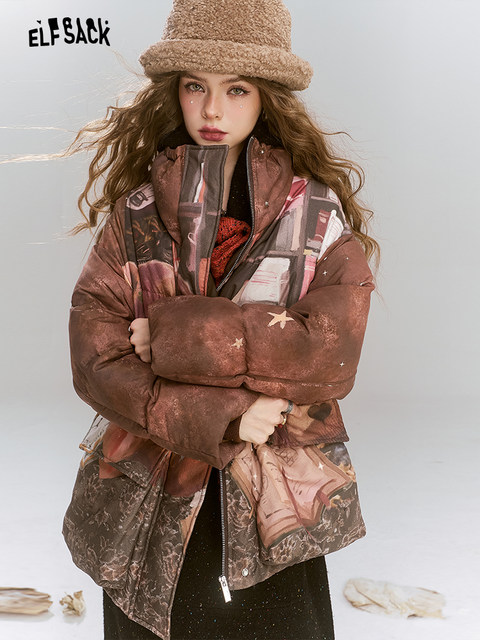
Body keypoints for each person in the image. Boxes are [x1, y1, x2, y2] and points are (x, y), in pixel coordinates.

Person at [63, 1, 378, 638]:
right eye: (194, 86)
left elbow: (329, 349)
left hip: (275, 476)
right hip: (152, 467)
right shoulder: (137, 216)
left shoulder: (314, 215)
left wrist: (175, 335)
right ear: (173, 92)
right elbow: (96, 358)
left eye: (236, 89)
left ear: (267, 98)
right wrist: (228, 413)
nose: (212, 111)